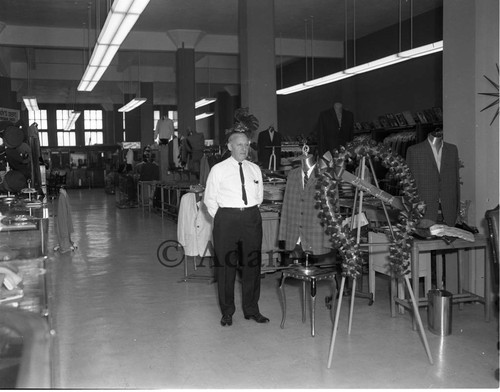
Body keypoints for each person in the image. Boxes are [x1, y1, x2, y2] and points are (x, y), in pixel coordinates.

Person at [203, 131, 268, 327]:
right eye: (239, 145)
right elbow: (209, 199)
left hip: (251, 217)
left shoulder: (254, 169)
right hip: (226, 219)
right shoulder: (218, 169)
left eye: (246, 145)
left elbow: (259, 196)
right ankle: (227, 311)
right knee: (226, 267)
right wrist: (224, 217)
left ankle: (251, 309)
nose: (243, 149)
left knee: (252, 265)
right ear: (230, 146)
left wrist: (247, 213)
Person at [406, 128, 460, 226]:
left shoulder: (452, 150)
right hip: (425, 210)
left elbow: (455, 182)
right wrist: (412, 211)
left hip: (449, 211)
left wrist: (457, 212)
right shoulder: (414, 151)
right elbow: (409, 185)